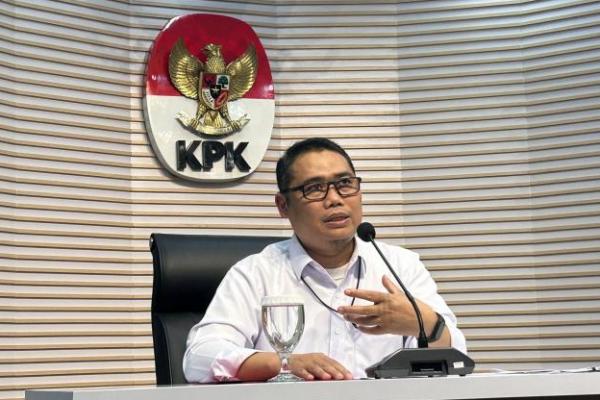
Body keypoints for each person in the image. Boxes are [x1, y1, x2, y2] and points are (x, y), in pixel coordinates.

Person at [183, 137, 467, 382]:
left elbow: (457, 359)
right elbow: (200, 357)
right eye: (315, 189)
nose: (335, 199)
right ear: (283, 206)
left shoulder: (400, 266)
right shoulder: (256, 273)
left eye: (345, 183)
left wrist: (426, 324)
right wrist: (284, 363)